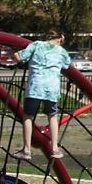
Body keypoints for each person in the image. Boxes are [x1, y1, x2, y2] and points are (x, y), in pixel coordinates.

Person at [14, 28, 72, 160]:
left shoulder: (36, 45)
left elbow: (19, 57)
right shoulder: (61, 51)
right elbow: (67, 65)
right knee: (52, 116)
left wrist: (16, 53)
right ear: (60, 39)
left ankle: (27, 149)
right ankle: (55, 148)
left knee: (28, 116)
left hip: (35, 87)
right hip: (52, 88)